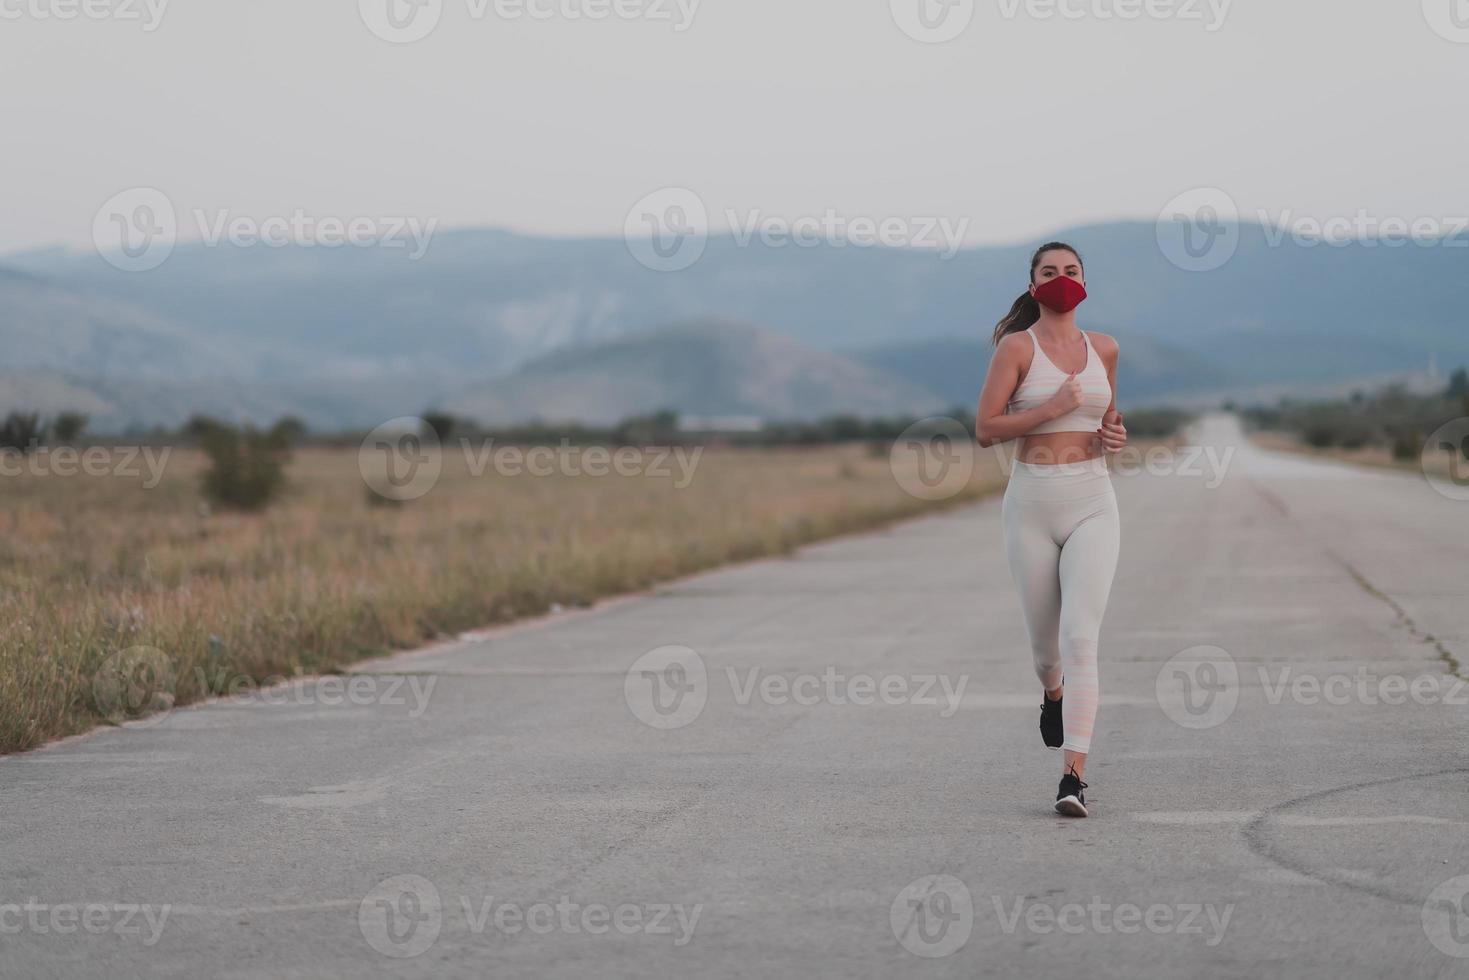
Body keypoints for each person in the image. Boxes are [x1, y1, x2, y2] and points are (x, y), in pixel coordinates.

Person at [974, 242, 1127, 817]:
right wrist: (1051, 406)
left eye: (1072, 271)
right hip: (1031, 505)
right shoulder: (1018, 348)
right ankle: (1052, 693)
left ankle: (1073, 777)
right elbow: (987, 429)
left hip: (1092, 500)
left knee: (1081, 639)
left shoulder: (1104, 348)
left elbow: (1109, 420)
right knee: (1046, 652)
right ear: (1033, 284)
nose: (1062, 279)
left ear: (1085, 281)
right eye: (1049, 272)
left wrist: (1114, 437)